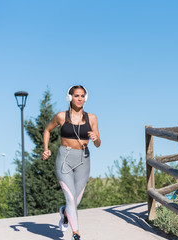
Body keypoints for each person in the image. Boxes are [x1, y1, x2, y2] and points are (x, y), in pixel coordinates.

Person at [42, 85, 101, 240]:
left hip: (84, 159)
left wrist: (96, 138)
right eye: (76, 96)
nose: (80, 99)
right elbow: (47, 130)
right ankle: (76, 234)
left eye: (82, 96)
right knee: (70, 197)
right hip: (65, 159)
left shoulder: (92, 118)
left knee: (76, 200)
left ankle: (65, 213)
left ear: (85, 98)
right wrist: (46, 148)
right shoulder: (61, 116)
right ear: (70, 97)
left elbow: (98, 143)